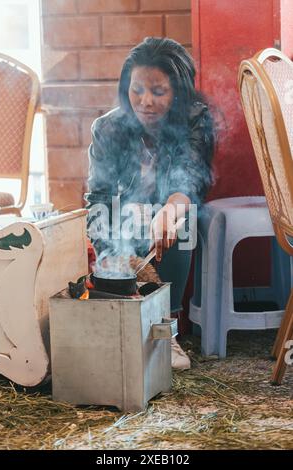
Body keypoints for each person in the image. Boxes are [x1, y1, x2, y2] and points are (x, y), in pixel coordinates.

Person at [85, 37, 214, 369]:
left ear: (178, 93)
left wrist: (168, 214)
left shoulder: (194, 120)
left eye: (159, 92)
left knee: (182, 222)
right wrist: (110, 249)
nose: (145, 101)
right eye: (136, 89)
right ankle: (121, 322)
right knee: (111, 224)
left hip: (169, 215)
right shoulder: (108, 128)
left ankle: (165, 331)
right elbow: (98, 198)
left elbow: (190, 178)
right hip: (123, 221)